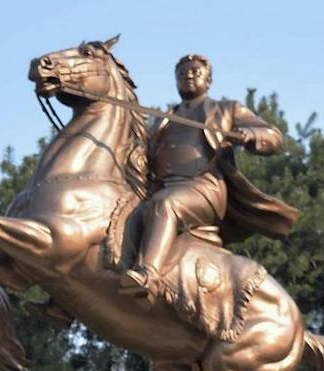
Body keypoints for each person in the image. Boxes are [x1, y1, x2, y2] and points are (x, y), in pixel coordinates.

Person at [120, 53, 298, 297]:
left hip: (202, 188)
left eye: (195, 72)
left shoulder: (227, 110)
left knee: (165, 206)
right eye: (182, 74)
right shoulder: (162, 121)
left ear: (209, 80)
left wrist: (249, 135)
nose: (188, 76)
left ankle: (148, 274)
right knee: (121, 214)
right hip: (161, 186)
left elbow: (273, 136)